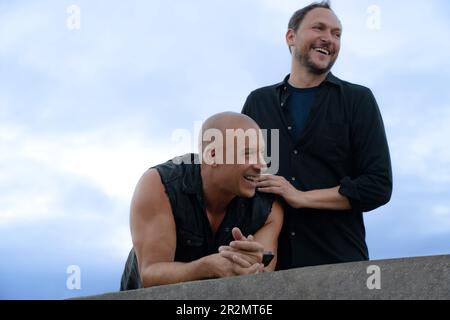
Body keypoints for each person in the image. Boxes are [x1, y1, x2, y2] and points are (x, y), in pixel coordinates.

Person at [242, 1, 392, 270]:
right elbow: (240, 178)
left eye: (337, 34)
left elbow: (378, 186)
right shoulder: (258, 102)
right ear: (291, 37)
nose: (329, 38)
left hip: (340, 265)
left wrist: (300, 197)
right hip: (268, 267)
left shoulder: (358, 99)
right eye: (318, 28)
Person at [120, 112, 283, 290]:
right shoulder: (160, 183)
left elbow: (266, 282)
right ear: (213, 155)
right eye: (248, 154)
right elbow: (150, 274)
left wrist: (253, 267)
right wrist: (208, 267)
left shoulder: (268, 206)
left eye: (261, 154)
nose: (261, 165)